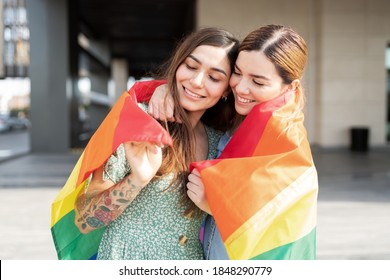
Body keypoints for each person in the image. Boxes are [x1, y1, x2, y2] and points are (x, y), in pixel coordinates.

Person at [148, 24, 318, 260]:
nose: (241, 87)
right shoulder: (230, 116)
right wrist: (163, 90)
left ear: (291, 87)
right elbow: (196, 90)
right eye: (237, 73)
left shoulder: (286, 146)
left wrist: (215, 206)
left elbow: (281, 236)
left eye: (258, 82)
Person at [73, 27, 239, 260]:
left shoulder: (218, 143)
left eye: (214, 77)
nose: (197, 81)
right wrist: (136, 180)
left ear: (225, 90)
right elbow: (84, 222)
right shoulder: (136, 120)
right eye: (191, 66)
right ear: (178, 64)